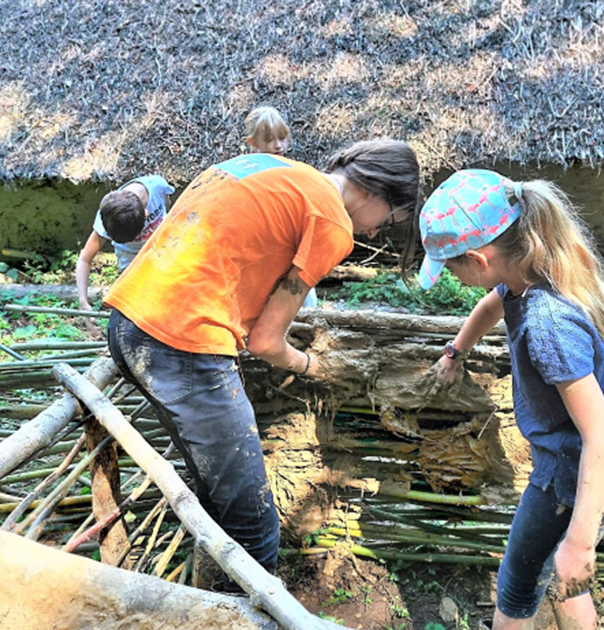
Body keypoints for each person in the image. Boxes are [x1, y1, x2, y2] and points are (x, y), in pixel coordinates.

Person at [105, 140, 420, 589]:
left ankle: (207, 603)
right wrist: (312, 364)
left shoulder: (271, 166)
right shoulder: (330, 219)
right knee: (255, 527)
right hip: (182, 343)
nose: (373, 234)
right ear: (375, 193)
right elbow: (266, 342)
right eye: (387, 222)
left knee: (219, 493)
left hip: (128, 321)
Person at [417, 170, 604, 630]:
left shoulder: (547, 323)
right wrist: (455, 352)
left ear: (480, 260)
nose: (453, 279)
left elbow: (600, 437)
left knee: (520, 581)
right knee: (562, 579)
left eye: (451, 267)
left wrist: (580, 545)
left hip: (572, 473)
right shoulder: (546, 267)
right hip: (592, 465)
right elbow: (492, 304)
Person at [245, 106, 317, 307]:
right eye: (269, 140)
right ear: (253, 142)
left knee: (306, 303)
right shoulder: (251, 174)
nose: (278, 145)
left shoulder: (291, 171)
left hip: (293, 250)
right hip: (264, 252)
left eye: (282, 138)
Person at [75, 175, 174, 312]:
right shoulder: (108, 217)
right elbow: (84, 260)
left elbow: (168, 206)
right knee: (136, 304)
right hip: (130, 260)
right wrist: (83, 302)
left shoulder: (157, 186)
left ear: (146, 214)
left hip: (163, 246)